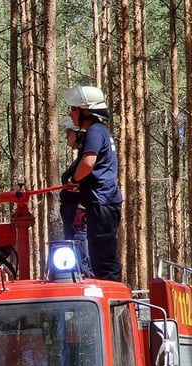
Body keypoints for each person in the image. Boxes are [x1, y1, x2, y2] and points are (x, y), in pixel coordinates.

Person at [64, 85, 123, 282]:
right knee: (100, 256)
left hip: (102, 203)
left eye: (73, 109)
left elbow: (88, 163)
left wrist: (74, 180)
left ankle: (112, 301)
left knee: (104, 259)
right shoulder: (100, 131)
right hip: (101, 202)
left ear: (86, 110)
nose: (71, 114)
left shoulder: (95, 132)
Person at [59, 118, 93, 276]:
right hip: (72, 217)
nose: (66, 137)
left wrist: (81, 208)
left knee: (82, 255)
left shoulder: (87, 159)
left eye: (69, 133)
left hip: (79, 220)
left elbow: (89, 183)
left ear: (80, 135)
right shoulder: (80, 158)